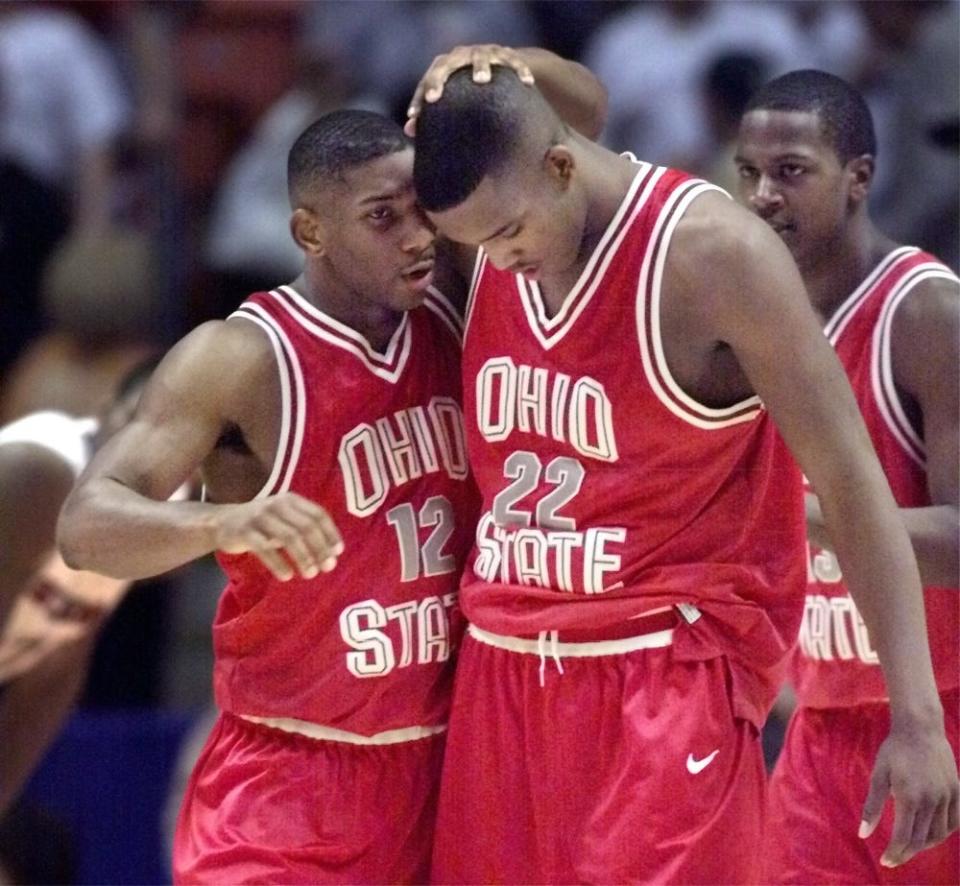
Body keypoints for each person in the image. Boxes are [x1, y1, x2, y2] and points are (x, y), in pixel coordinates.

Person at [57, 47, 605, 883]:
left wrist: (506, 65)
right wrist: (223, 520)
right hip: (288, 772)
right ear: (310, 231)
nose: (420, 235)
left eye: (422, 208)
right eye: (384, 218)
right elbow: (87, 526)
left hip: (446, 769)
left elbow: (582, 126)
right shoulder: (239, 357)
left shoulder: (460, 299)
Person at [411, 65, 958, 883]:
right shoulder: (502, 222)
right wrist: (495, 57)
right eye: (476, 244)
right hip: (504, 668)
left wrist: (918, 719)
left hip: (659, 678)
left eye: (507, 234)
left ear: (560, 169)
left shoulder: (715, 255)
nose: (497, 258)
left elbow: (853, 485)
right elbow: (551, 102)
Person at [734, 69, 959, 884]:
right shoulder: (755, 323)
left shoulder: (925, 313)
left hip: (941, 717)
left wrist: (804, 512)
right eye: (748, 173)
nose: (762, 195)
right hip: (818, 728)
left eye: (791, 170)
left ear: (859, 177)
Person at [0, 358, 156, 815]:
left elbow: (55, 675)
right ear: (106, 410)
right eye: (139, 422)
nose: (149, 452)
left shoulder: (142, 511)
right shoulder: (39, 470)